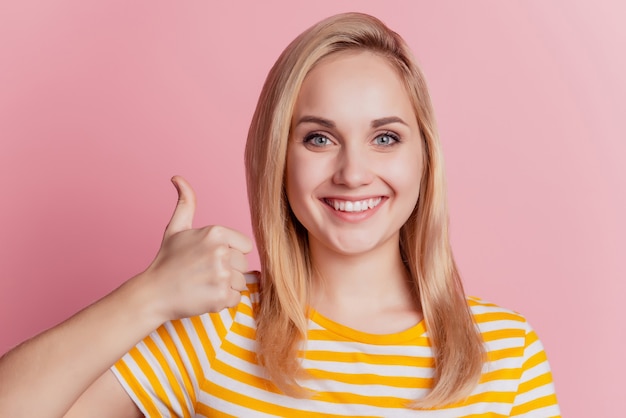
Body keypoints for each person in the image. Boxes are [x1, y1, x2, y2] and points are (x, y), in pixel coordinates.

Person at [0, 12, 560, 417]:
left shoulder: (506, 351)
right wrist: (150, 295)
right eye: (319, 138)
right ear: (278, 158)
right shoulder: (217, 327)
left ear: (425, 159)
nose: (353, 171)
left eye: (385, 137)